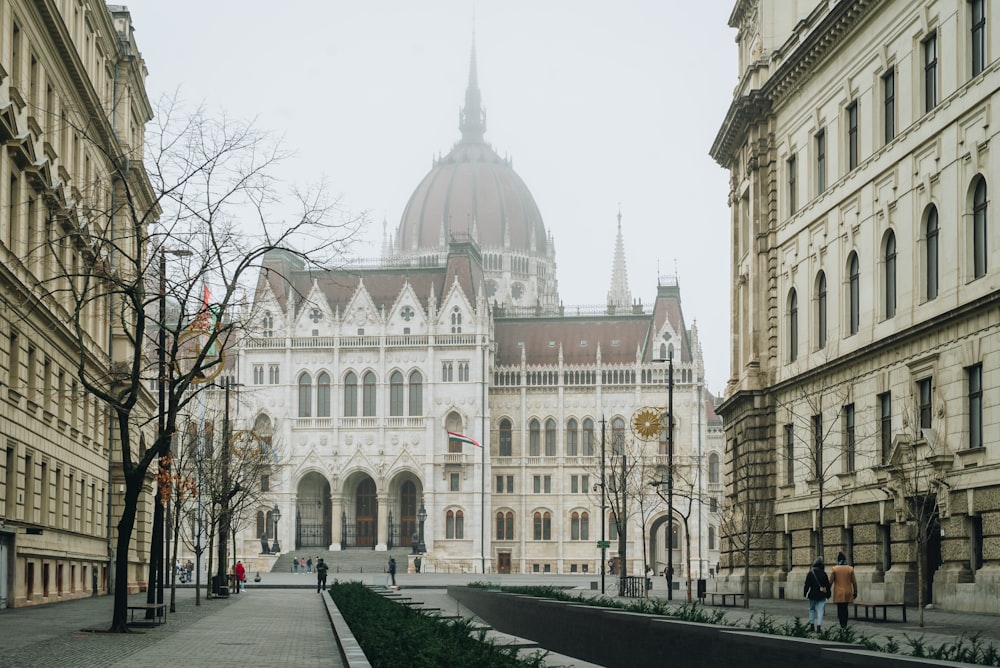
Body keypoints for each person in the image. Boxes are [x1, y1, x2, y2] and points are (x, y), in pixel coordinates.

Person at [830, 551, 859, 628]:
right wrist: (855, 592)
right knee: (845, 608)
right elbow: (854, 582)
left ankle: (841, 624)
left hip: (838, 592)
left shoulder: (834, 569)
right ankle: (845, 624)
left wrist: (827, 590)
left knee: (840, 609)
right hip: (848, 592)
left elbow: (831, 581)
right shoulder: (850, 569)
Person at [803, 556, 831, 633]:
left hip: (812, 594)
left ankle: (812, 625)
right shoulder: (823, 573)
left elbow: (807, 585)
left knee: (811, 609)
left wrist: (805, 593)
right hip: (821, 594)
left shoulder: (811, 573)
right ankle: (819, 626)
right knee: (820, 610)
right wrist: (828, 594)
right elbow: (827, 585)